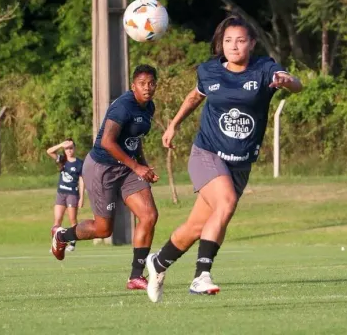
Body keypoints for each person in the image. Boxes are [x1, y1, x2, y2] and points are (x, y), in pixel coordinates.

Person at [145, 15, 303, 302]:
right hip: (206, 153)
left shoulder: (265, 69)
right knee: (226, 202)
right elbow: (195, 97)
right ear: (221, 43)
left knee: (196, 227)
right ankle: (201, 276)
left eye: (241, 40)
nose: (234, 46)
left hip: (240, 162)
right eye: (228, 40)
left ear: (252, 43)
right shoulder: (209, 71)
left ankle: (158, 263)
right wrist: (173, 125)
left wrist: (288, 80)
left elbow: (296, 85)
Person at [51, 64, 160, 291]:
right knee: (103, 230)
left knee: (149, 215)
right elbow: (106, 142)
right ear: (133, 86)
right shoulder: (122, 106)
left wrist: (143, 166)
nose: (147, 88)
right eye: (142, 84)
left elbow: (135, 139)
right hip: (103, 168)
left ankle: (136, 277)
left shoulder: (149, 107)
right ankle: (62, 236)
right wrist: (136, 166)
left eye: (151, 83)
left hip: (127, 168)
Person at [46, 138, 84, 252]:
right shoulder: (62, 160)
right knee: (57, 219)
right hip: (61, 193)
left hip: (72, 194)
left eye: (71, 148)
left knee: (72, 219)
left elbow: (82, 180)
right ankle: (55, 245)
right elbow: (49, 151)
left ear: (74, 148)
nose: (69, 150)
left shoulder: (79, 163)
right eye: (67, 148)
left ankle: (72, 243)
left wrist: (82, 197)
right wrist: (61, 144)